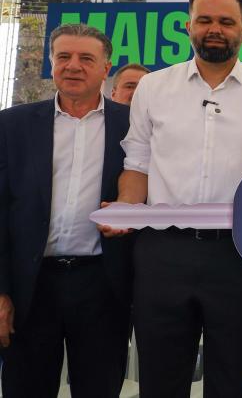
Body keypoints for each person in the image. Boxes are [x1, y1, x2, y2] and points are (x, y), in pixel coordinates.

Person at [116, 0, 242, 396]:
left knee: (231, 378)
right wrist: (123, 211)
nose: (215, 29)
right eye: (205, 20)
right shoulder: (154, 87)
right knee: (160, 379)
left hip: (240, 256)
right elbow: (137, 164)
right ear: (188, 26)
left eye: (226, 21)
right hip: (162, 254)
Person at [0, 24, 132, 397]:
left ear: (106, 68)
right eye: (63, 57)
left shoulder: (133, 125)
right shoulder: (12, 125)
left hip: (103, 286)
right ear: (52, 62)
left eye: (86, 58)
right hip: (30, 288)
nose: (73, 66)